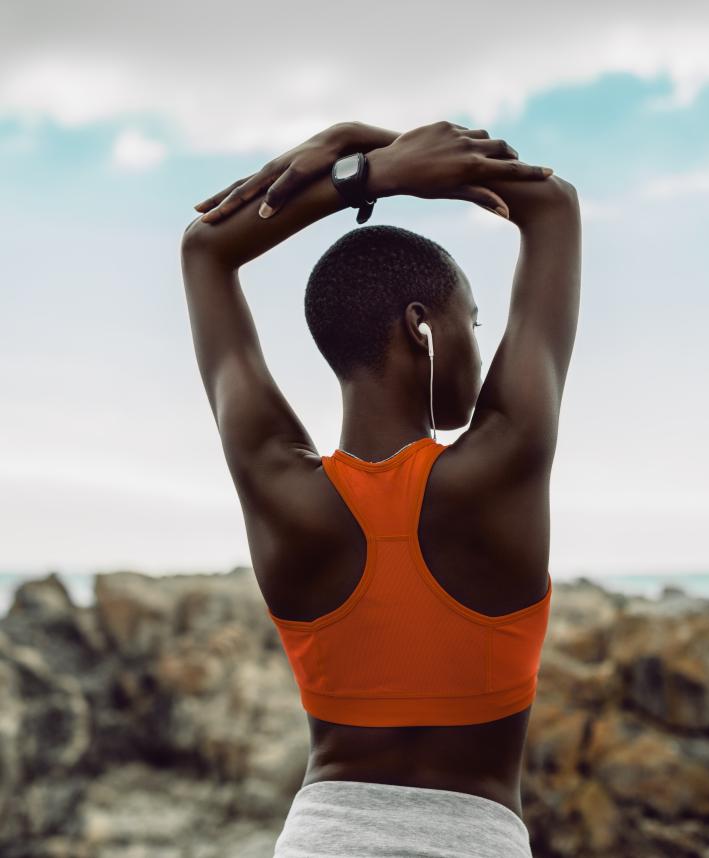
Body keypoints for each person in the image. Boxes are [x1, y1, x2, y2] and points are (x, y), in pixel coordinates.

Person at [180, 120, 581, 858]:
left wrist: (365, 167)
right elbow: (551, 203)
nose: (479, 340)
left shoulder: (277, 485)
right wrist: (383, 155)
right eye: (474, 320)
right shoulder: (500, 467)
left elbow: (205, 252)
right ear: (421, 328)